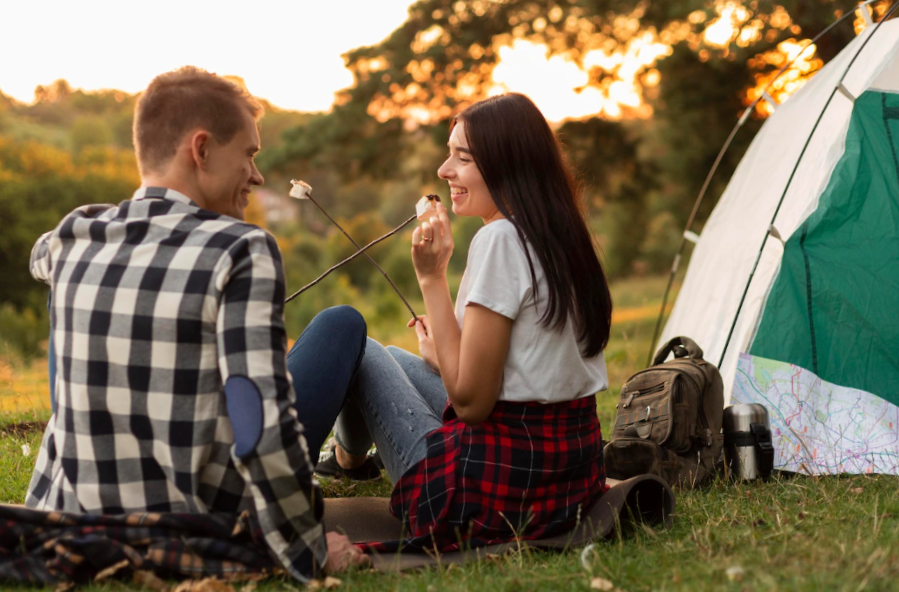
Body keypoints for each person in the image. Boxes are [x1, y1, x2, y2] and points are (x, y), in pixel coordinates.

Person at [26, 67, 368, 580]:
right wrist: (308, 548)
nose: (257, 176)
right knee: (342, 325)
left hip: (73, 521)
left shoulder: (72, 236)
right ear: (201, 149)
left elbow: (41, 255)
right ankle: (350, 452)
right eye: (249, 155)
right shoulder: (240, 249)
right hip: (193, 526)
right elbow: (259, 425)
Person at [329, 93, 614, 551]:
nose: (444, 171)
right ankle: (345, 457)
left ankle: (346, 458)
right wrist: (441, 354)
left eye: (462, 158)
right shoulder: (563, 233)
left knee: (367, 354)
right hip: (567, 479)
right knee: (402, 357)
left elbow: (472, 404)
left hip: (492, 493)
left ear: (507, 166)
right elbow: (516, 371)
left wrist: (432, 278)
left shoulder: (500, 239)